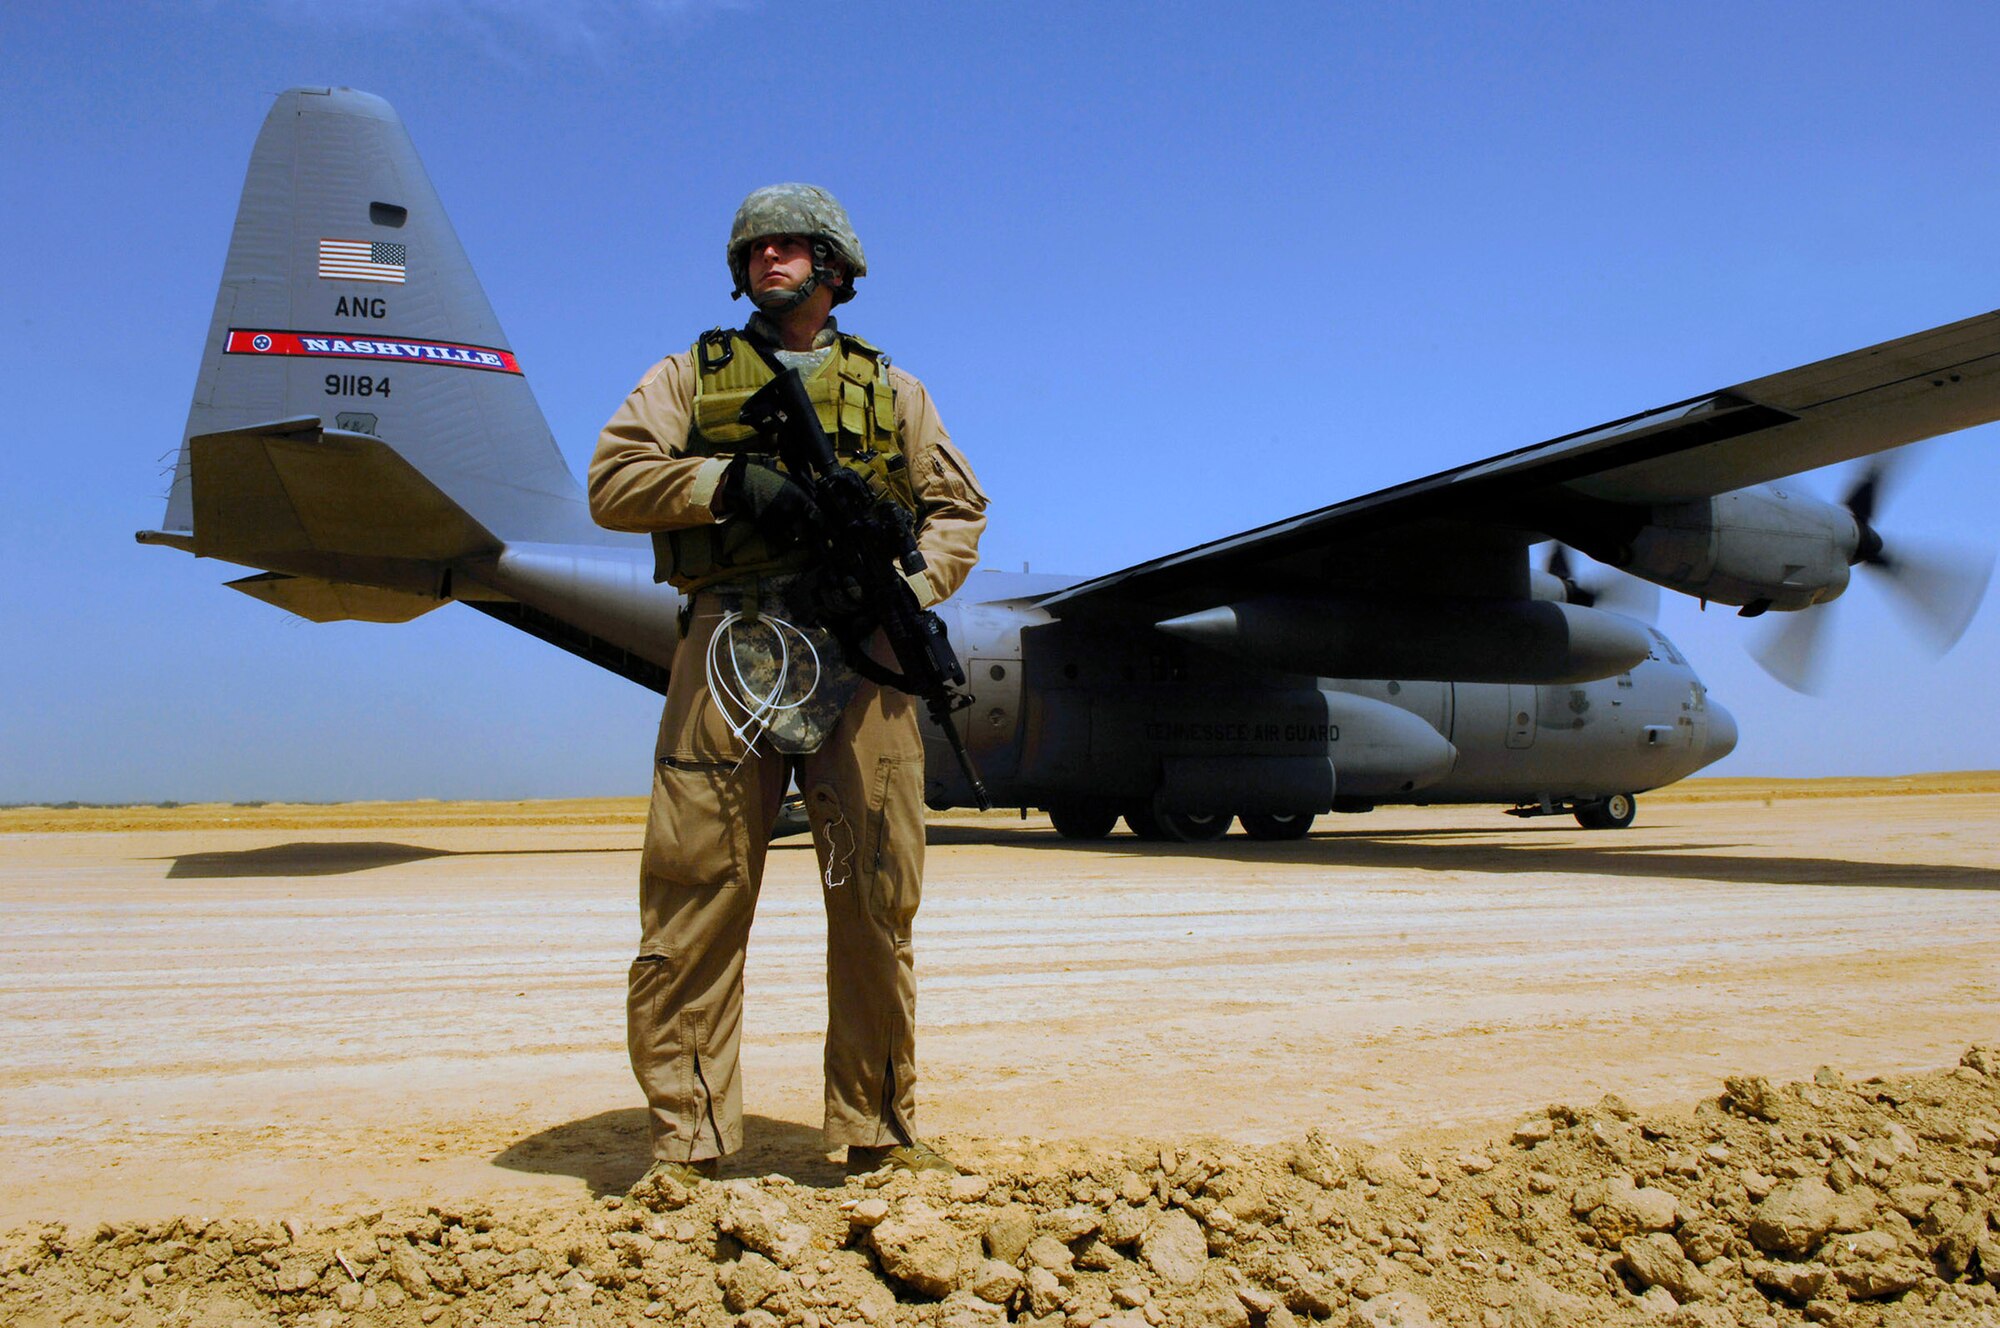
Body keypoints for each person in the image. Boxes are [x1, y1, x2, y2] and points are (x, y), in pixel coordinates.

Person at [587, 184, 988, 1186]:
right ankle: (688, 1143)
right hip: (733, 646)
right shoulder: (691, 375)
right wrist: (723, 484)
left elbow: (958, 508)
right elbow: (611, 479)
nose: (768, 257)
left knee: (874, 897)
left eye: (789, 244)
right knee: (696, 894)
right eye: (754, 246)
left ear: (834, 266)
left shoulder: (894, 389)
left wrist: (904, 583)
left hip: (860, 656)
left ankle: (874, 1127)